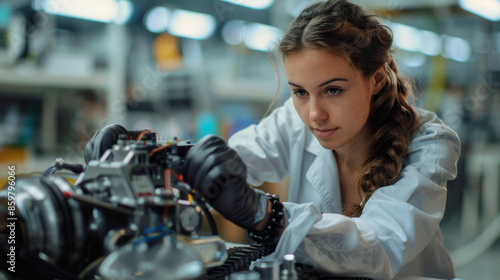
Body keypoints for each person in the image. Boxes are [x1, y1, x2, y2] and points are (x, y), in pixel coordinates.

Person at [85, 0, 460, 279]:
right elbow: (229, 159)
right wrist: (151, 156)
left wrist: (268, 215)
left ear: (376, 79)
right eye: (299, 92)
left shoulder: (429, 144)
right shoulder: (293, 122)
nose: (314, 114)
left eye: (332, 90)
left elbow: (381, 246)